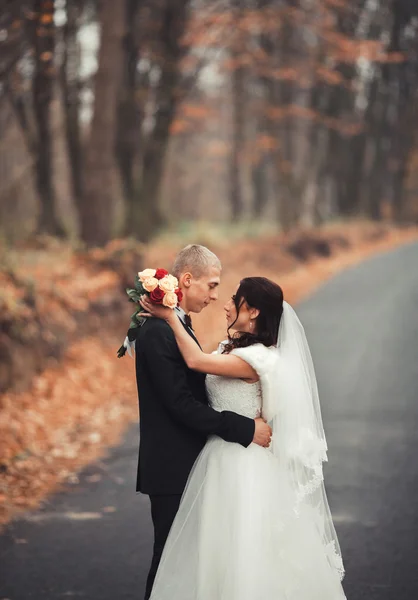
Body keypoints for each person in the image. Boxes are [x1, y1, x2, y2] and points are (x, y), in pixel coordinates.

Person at [140, 276, 347, 600]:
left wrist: (169, 318)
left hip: (244, 464)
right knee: (215, 553)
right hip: (217, 460)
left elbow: (196, 361)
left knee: (245, 550)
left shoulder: (260, 358)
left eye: (235, 300)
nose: (225, 303)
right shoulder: (232, 347)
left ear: (252, 312)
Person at [134, 245, 273, 600]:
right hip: (171, 468)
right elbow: (181, 404)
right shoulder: (157, 331)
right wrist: (244, 428)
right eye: (211, 286)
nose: (215, 296)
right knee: (168, 564)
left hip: (193, 463)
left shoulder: (176, 322)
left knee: (191, 565)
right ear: (187, 280)